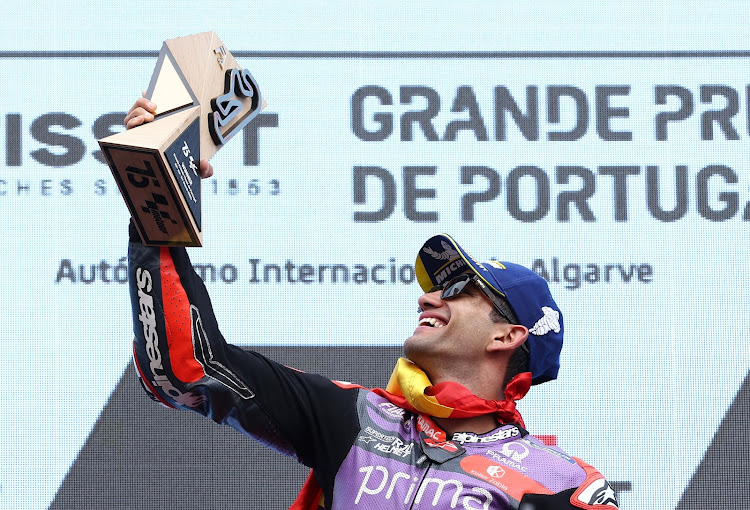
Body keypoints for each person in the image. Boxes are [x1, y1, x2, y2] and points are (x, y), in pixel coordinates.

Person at [124, 98, 620, 510]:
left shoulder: (562, 483)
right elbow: (189, 367)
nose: (428, 296)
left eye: (457, 291)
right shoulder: (356, 418)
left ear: (507, 335)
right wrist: (159, 196)